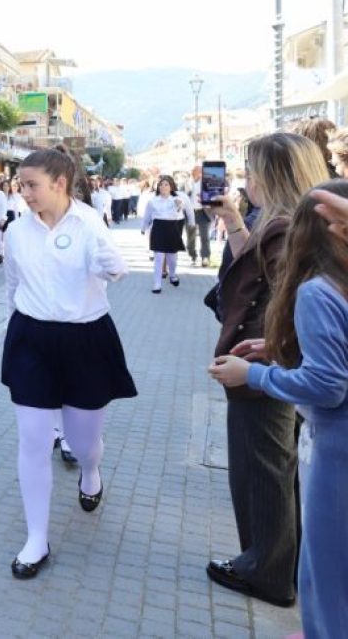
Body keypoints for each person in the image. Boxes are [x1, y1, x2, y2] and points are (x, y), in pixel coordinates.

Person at [210, 179, 348, 638]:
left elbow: (327, 385)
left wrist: (253, 375)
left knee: (325, 566)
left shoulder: (317, 291)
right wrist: (281, 349)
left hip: (335, 450)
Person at [201, 132, 329, 608]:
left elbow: (288, 301)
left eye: (251, 171)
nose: (245, 180)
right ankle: (279, 564)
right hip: (269, 361)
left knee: (262, 471)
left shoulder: (286, 226)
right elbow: (254, 270)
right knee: (275, 468)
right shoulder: (291, 221)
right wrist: (234, 221)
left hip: (261, 366)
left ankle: (266, 571)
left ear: (272, 175)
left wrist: (265, 357)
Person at [1, 147, 135, 579]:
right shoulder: (16, 231)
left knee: (82, 443)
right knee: (33, 439)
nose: (24, 193)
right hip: (31, 339)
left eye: (32, 185)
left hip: (85, 338)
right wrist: (16, 328)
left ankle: (91, 471)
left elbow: (115, 270)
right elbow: (12, 284)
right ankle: (36, 539)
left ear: (59, 183)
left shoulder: (89, 222)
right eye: (21, 185)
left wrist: (109, 264)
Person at [141, 175, 190, 293]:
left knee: (172, 258)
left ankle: (172, 275)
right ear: (158, 187)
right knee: (158, 257)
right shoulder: (152, 201)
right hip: (158, 229)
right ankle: (157, 284)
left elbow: (180, 209)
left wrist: (179, 205)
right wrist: (143, 227)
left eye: (166, 184)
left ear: (171, 187)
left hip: (172, 229)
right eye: (161, 185)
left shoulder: (176, 199)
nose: (163, 186)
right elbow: (147, 216)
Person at [186, 164, 213, 267]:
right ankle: (192, 256)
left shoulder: (206, 183)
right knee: (190, 237)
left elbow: (212, 196)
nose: (199, 173)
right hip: (190, 212)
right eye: (196, 171)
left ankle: (205, 257)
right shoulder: (188, 182)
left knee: (204, 236)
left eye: (201, 171)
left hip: (203, 212)